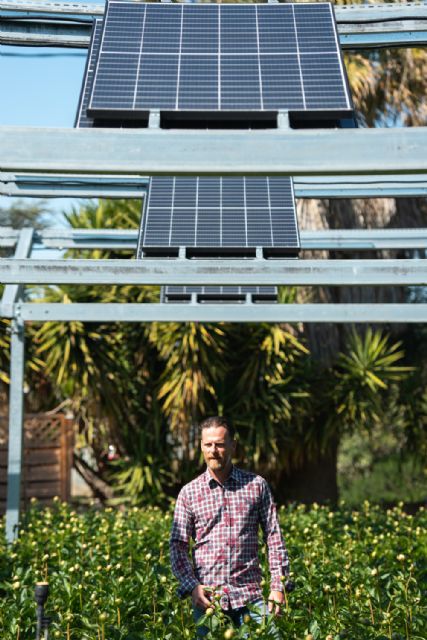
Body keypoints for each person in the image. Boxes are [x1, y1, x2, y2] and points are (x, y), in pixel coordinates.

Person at [170, 416, 290, 637]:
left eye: (219, 444)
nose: (213, 450)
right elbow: (177, 545)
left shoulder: (256, 486)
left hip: (250, 598)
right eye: (208, 444)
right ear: (201, 446)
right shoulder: (189, 493)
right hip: (209, 601)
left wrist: (277, 587)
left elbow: (274, 537)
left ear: (233, 445)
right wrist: (192, 586)